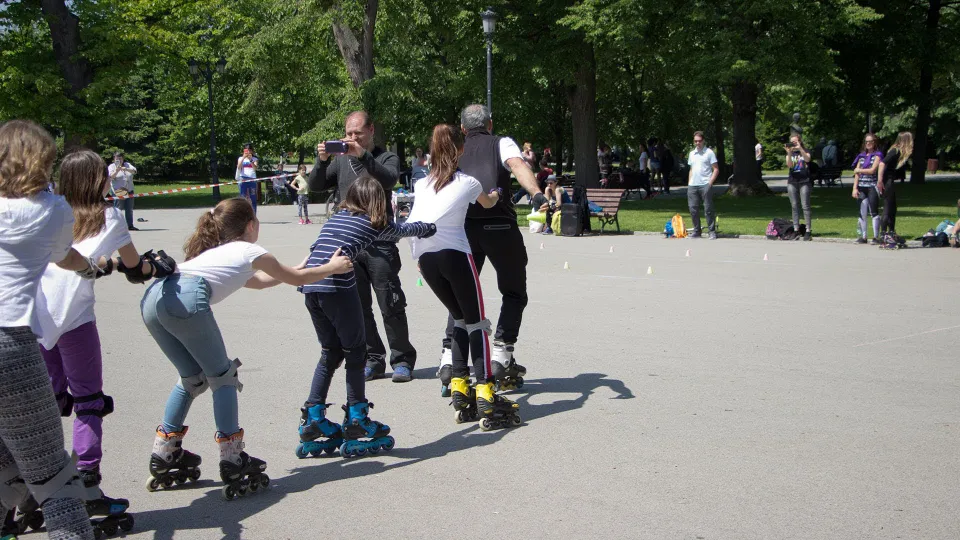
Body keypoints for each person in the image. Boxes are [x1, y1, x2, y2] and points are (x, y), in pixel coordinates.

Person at [141, 197, 352, 499]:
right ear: (251, 225)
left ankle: (164, 452)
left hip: (154, 300)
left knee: (192, 378)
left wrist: (295, 269)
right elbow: (296, 280)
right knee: (222, 376)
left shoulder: (216, 253)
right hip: (185, 299)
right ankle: (232, 458)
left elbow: (265, 281)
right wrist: (333, 267)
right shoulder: (249, 249)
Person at [34, 150, 173, 533]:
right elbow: (134, 267)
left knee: (42, 405)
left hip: (36, 316)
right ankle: (86, 486)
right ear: (98, 180)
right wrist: (157, 266)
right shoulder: (108, 216)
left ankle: (29, 485)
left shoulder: (46, 210)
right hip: (74, 320)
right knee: (88, 402)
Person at [0, 119, 103, 540]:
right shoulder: (53, 210)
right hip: (11, 343)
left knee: (5, 464)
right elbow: (67, 258)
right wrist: (94, 267)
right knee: (54, 479)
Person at [296, 175, 435, 458]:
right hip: (335, 287)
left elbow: (315, 250)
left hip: (311, 288)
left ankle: (313, 417)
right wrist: (430, 227)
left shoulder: (336, 219)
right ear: (377, 202)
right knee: (356, 352)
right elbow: (402, 230)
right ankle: (358, 419)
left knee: (330, 352)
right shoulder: (373, 225)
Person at [406, 124, 520, 430]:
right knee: (477, 322)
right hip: (455, 254)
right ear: (460, 151)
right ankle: (485, 389)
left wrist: (418, 257)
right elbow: (488, 202)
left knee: (457, 317)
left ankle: (459, 384)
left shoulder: (421, 184)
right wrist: (496, 193)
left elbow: (415, 218)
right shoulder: (468, 181)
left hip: (425, 258)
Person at [435, 104, 548, 397]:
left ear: (462, 128)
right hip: (500, 226)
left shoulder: (455, 147)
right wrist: (536, 194)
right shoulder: (502, 142)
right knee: (513, 291)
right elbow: (518, 165)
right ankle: (501, 351)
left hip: (463, 228)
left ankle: (449, 356)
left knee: (461, 293)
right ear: (490, 124)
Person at [308, 111, 416, 383]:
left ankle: (402, 359)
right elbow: (316, 187)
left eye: (357, 133)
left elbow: (389, 179)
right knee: (357, 305)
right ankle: (374, 358)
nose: (351, 138)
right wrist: (322, 162)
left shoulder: (385, 157)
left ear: (371, 131)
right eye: (348, 133)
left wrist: (362, 155)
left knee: (390, 302)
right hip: (350, 244)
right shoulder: (341, 160)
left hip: (380, 243)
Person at [877, 132, 914, 238]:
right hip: (887, 181)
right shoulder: (895, 150)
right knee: (888, 207)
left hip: (890, 180)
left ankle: (891, 231)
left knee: (893, 208)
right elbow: (882, 163)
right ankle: (883, 233)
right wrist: (880, 181)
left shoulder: (899, 152)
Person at [851, 133, 884, 244]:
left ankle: (876, 237)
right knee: (862, 212)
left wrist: (859, 170)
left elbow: (872, 170)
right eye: (866, 142)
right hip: (862, 187)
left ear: (874, 143)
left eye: (870, 141)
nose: (868, 144)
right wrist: (854, 188)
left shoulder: (878, 155)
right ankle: (863, 236)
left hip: (872, 186)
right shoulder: (861, 156)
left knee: (873, 211)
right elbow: (856, 174)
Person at [687, 131, 719, 239]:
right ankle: (697, 231)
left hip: (705, 184)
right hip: (693, 185)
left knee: (708, 209)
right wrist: (689, 183)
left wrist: (710, 183)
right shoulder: (692, 154)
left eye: (699, 141)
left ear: (703, 141)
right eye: (695, 141)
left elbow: (716, 169)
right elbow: (691, 169)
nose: (697, 143)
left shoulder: (709, 152)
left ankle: (712, 231)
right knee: (693, 209)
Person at [784, 135, 813, 240]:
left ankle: (808, 230)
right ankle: (796, 229)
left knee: (805, 205)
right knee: (794, 205)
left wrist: (800, 148)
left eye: (795, 142)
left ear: (800, 141)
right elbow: (790, 165)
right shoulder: (790, 154)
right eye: (791, 142)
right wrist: (789, 152)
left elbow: (808, 159)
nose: (793, 144)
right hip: (792, 181)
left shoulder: (805, 150)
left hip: (804, 181)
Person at [108, 152, 137, 231]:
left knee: (129, 209)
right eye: (117, 159)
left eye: (120, 158)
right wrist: (117, 170)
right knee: (118, 209)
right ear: (114, 159)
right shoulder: (112, 166)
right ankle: (116, 226)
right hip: (119, 190)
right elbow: (111, 177)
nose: (119, 160)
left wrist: (126, 169)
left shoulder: (127, 164)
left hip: (129, 189)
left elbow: (134, 171)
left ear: (123, 159)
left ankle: (130, 225)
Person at [236, 143, 259, 214]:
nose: (248, 152)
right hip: (243, 179)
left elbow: (255, 168)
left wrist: (250, 160)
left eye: (249, 150)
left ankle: (254, 215)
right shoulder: (240, 158)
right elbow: (239, 167)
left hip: (252, 179)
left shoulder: (255, 159)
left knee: (253, 198)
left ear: (252, 151)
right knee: (243, 198)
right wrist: (243, 157)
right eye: (246, 150)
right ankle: (243, 216)